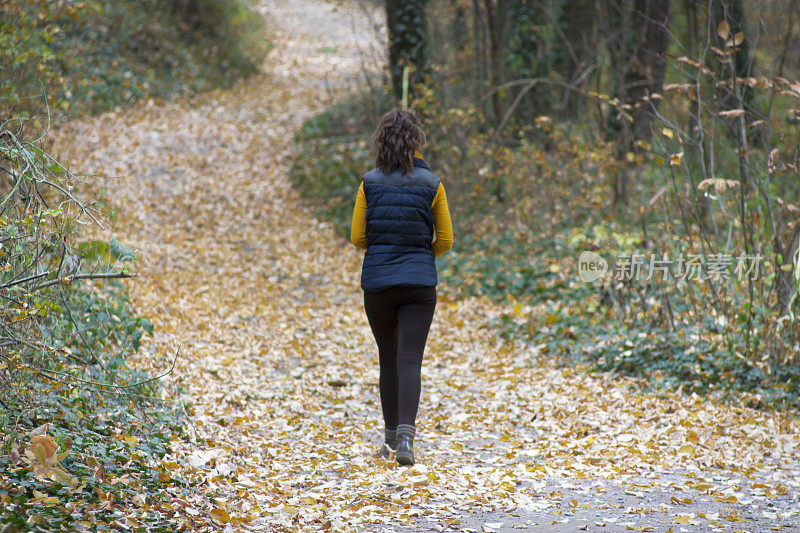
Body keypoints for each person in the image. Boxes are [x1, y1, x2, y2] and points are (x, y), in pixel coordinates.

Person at [349, 109, 453, 466]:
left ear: (381, 141)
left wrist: (383, 249)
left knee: (388, 359)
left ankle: (391, 438)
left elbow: (357, 237)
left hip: (378, 283)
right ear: (416, 142)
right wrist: (422, 255)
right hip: (420, 283)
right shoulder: (433, 184)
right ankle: (407, 438)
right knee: (410, 359)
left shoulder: (369, 182)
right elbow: (447, 239)